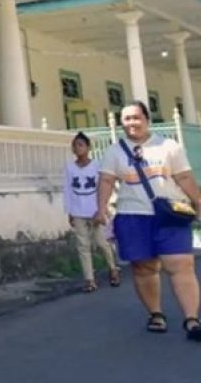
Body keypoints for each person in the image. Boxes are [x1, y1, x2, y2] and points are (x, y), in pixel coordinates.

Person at [95, 101, 201, 340]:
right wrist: (101, 208)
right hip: (133, 216)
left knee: (181, 264)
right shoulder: (114, 151)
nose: (132, 123)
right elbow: (106, 181)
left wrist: (198, 201)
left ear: (147, 119)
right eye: (127, 119)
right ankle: (156, 313)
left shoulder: (168, 146)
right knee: (144, 267)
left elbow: (183, 177)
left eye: (136, 117)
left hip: (170, 213)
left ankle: (192, 319)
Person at [63, 131, 120, 291]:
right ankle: (89, 279)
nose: (77, 148)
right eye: (75, 146)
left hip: (95, 210)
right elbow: (67, 189)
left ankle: (113, 268)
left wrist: (103, 209)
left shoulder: (97, 166)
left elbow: (103, 187)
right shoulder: (69, 168)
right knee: (83, 245)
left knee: (102, 243)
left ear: (88, 147)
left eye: (81, 145)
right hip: (78, 210)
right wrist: (69, 210)